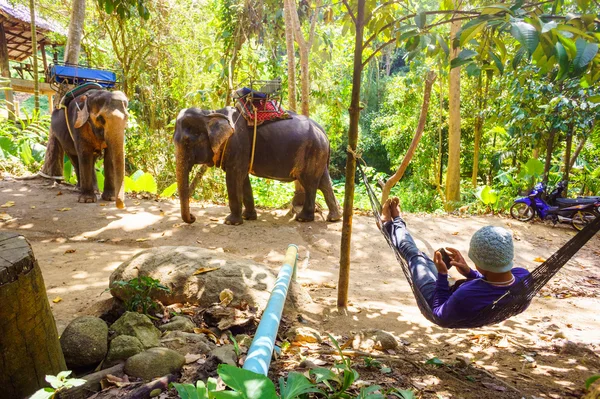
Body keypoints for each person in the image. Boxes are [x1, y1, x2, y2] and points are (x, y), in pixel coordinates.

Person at [381, 197, 531, 328]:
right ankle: (393, 225)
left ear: (480, 264)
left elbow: (439, 314)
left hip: (437, 300)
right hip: (456, 300)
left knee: (414, 255)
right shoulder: (524, 277)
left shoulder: (467, 294)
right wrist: (469, 272)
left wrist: (442, 274)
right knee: (423, 258)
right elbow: (493, 285)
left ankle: (391, 223)